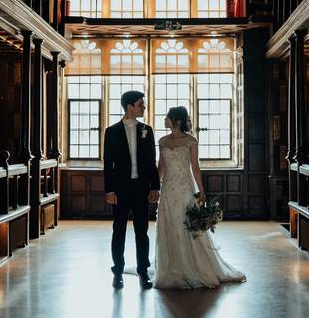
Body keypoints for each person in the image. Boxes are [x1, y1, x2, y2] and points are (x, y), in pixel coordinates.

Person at [154, 106, 246, 289]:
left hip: (186, 189)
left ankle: (194, 267)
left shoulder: (191, 141)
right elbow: (161, 168)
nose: (164, 120)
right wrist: (155, 188)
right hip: (168, 190)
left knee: (187, 224)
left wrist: (201, 192)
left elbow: (195, 168)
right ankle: (171, 267)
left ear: (176, 120)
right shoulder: (162, 141)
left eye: (167, 117)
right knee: (169, 224)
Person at [103, 90, 160, 289]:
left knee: (141, 232)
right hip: (119, 189)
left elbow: (152, 161)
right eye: (140, 104)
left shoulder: (147, 130)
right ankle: (117, 272)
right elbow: (108, 163)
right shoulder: (111, 131)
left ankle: (143, 272)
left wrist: (155, 186)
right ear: (130, 107)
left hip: (141, 188)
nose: (143, 107)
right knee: (118, 231)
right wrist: (109, 191)